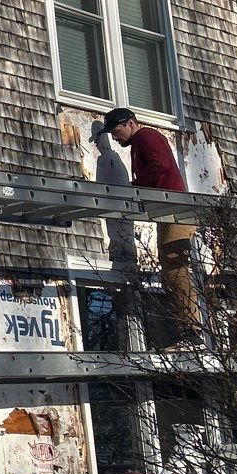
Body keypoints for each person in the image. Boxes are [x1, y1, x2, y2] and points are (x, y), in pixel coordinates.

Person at [97, 106, 199, 332]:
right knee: (170, 268)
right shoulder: (139, 143)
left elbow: (160, 167)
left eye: (116, 131)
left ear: (130, 123)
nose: (114, 137)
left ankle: (192, 330)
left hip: (176, 209)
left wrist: (136, 186)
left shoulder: (146, 136)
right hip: (168, 211)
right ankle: (186, 326)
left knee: (175, 267)